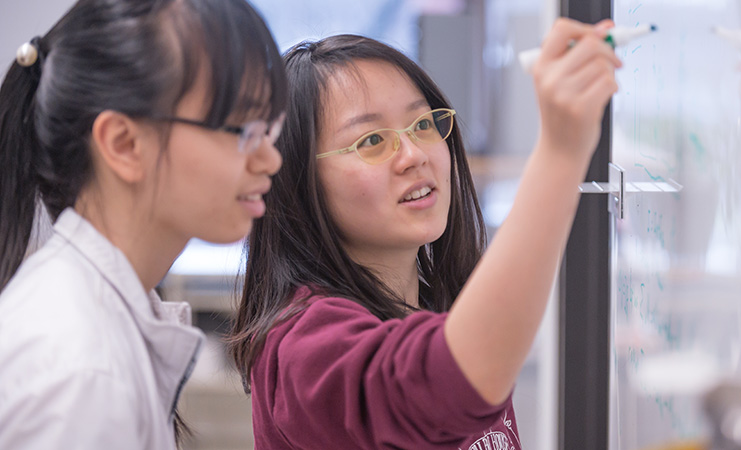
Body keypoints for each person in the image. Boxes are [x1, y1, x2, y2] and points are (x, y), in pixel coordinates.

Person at [229, 19, 621, 449]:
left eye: (422, 125)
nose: (414, 155)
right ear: (299, 183)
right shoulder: (304, 345)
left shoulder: (440, 305)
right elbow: (453, 382)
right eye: (372, 140)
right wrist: (561, 153)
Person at [0, 0, 286, 448]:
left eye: (270, 130)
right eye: (242, 129)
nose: (271, 158)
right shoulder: (81, 372)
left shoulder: (95, 318)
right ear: (125, 144)